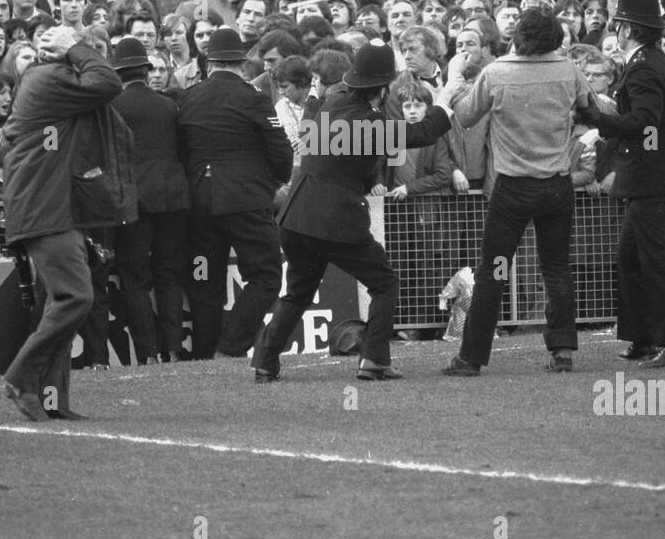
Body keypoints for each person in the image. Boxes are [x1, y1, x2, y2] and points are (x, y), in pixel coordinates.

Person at [252, 39, 460, 382]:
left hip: (296, 216)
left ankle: (264, 360)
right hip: (334, 220)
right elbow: (422, 132)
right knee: (385, 282)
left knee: (298, 292)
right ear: (382, 86)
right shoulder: (368, 123)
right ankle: (374, 360)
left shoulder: (334, 103)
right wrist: (447, 95)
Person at [441, 7, 595, 376]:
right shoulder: (568, 69)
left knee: (493, 271)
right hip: (557, 183)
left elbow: (462, 116)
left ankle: (471, 357)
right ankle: (562, 351)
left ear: (519, 35)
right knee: (556, 268)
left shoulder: (496, 73)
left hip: (512, 186)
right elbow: (590, 108)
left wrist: (456, 79)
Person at [0, 26, 135, 422]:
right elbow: (108, 81)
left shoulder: (48, 81)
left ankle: (51, 399)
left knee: (60, 302)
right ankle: (21, 379)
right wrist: (76, 46)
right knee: (76, 297)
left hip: (53, 206)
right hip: (45, 209)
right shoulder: (48, 77)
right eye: (77, 49)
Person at [579, 0, 665, 368]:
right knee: (632, 257)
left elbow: (645, 124)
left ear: (626, 27)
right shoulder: (650, 60)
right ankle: (645, 338)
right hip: (652, 176)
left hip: (651, 181)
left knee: (654, 260)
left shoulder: (644, 65)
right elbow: (650, 125)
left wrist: (601, 123)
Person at [178, 27, 292, 361]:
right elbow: (281, 151)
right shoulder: (253, 98)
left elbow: (182, 149)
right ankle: (230, 347)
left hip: (200, 201)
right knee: (266, 275)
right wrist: (271, 182)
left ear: (209, 62)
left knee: (204, 278)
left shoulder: (189, 98)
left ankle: (204, 351)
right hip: (245, 201)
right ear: (242, 65)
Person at [109, 38, 192, 365]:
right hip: (173, 196)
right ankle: (173, 348)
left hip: (134, 200)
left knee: (135, 277)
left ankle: (148, 352)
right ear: (145, 69)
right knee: (169, 274)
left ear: (118, 72)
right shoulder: (169, 105)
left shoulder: (113, 107)